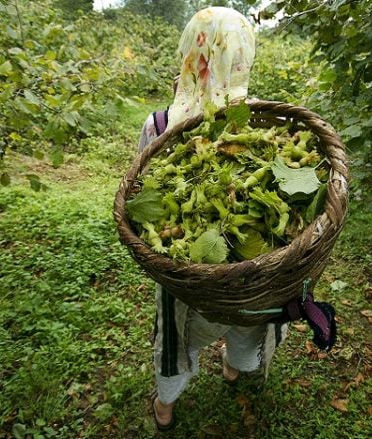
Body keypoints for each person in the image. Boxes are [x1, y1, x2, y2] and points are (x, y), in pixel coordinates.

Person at [135, 7, 289, 431]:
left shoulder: (161, 124)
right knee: (247, 322)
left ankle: (165, 407)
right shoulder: (261, 121)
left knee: (176, 331)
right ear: (244, 56)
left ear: (189, 51)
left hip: (185, 271)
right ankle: (233, 370)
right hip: (249, 273)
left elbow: (139, 189)